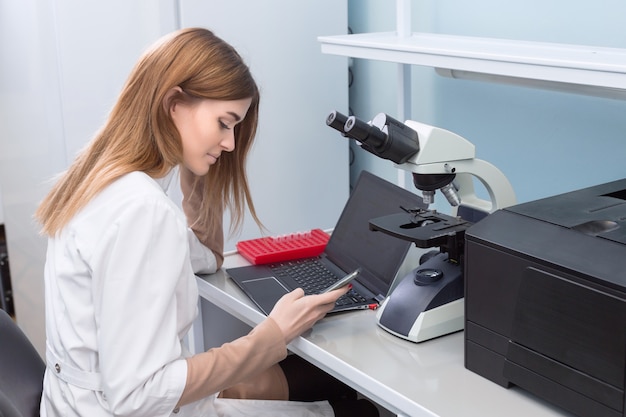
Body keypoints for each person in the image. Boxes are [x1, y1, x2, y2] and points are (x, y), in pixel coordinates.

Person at [34, 28, 379, 417]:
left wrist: (196, 164)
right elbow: (139, 396)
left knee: (305, 390)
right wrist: (273, 335)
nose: (231, 144)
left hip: (74, 406)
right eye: (224, 123)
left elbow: (205, 256)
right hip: (129, 409)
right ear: (174, 104)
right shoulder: (142, 211)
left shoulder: (99, 179)